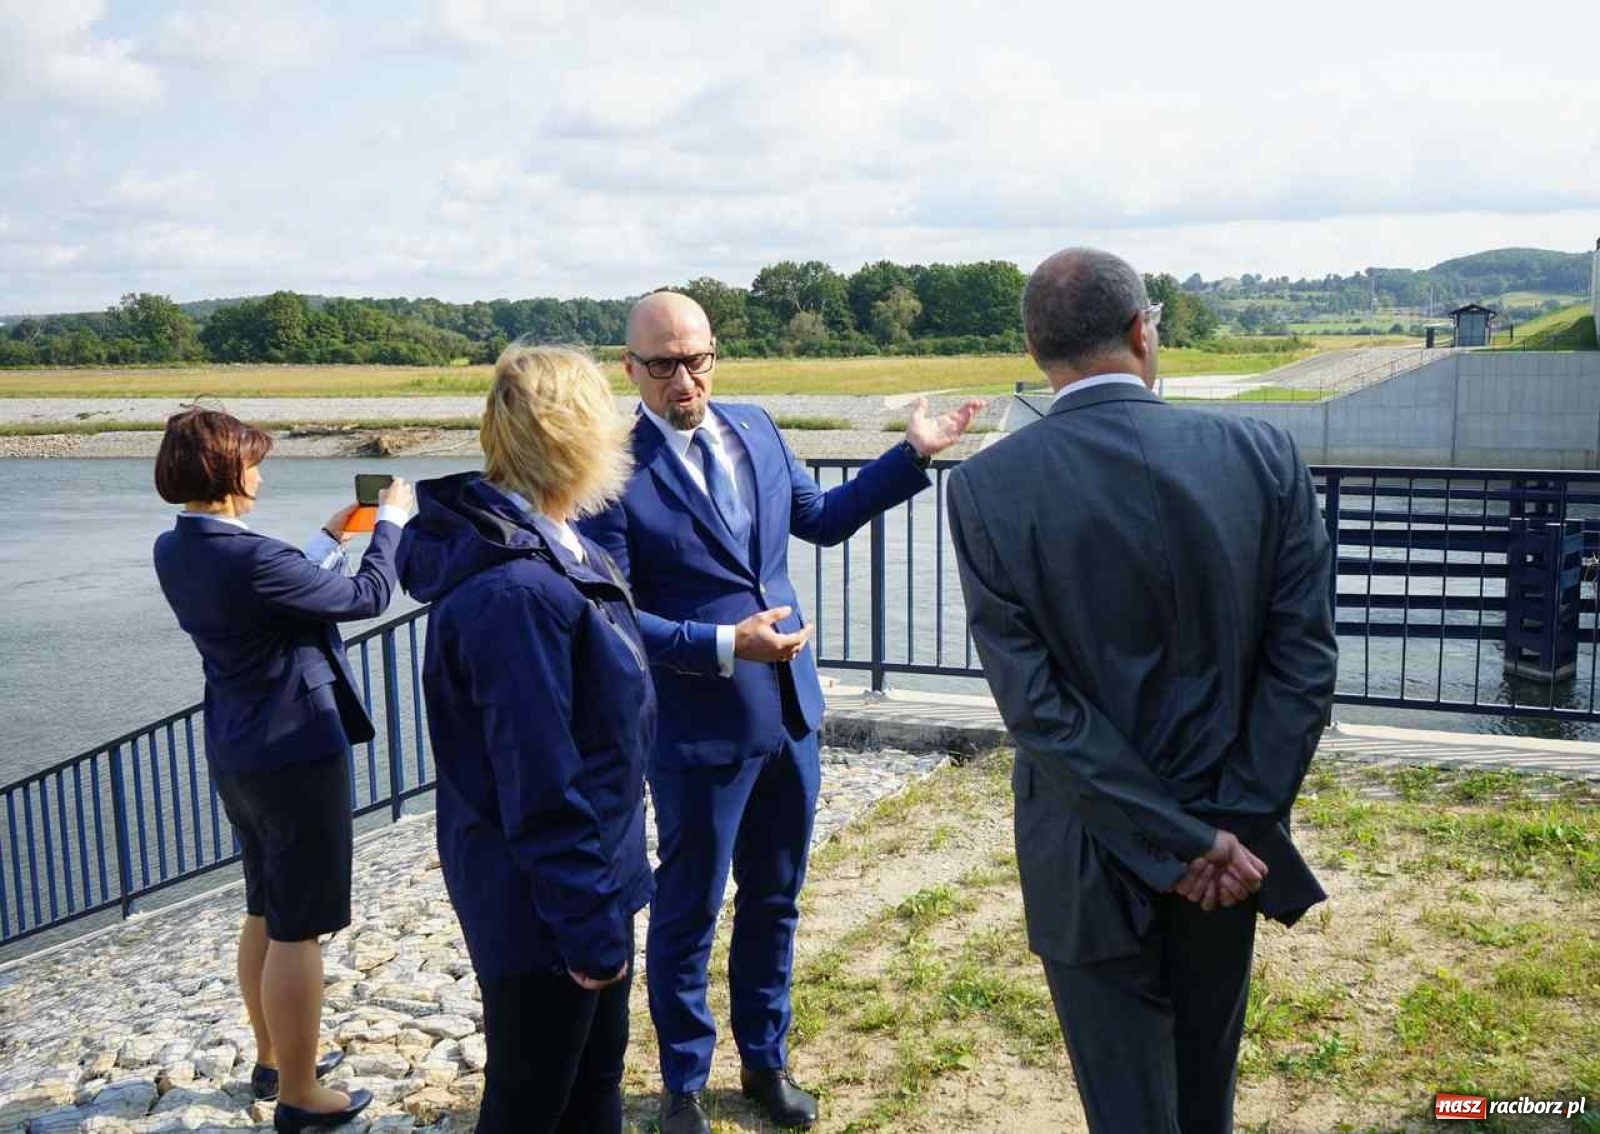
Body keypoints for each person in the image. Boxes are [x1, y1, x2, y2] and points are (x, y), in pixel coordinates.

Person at [946, 248, 1338, 1134]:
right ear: (1140, 332)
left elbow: (1038, 708)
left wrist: (1182, 840)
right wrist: (1227, 829)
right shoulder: (1262, 452)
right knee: (1207, 1098)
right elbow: (1304, 661)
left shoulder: (986, 488)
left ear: (1040, 352)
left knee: (1125, 1111)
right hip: (1235, 848)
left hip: (1088, 854)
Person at [578, 292, 984, 1133]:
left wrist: (911, 457)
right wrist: (726, 643)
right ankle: (683, 1083)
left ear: (714, 355)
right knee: (689, 911)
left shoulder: (757, 426)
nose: (684, 379)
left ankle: (766, 1061)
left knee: (776, 896)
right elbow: (614, 614)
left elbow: (822, 519)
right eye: (663, 365)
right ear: (631, 369)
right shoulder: (610, 466)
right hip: (698, 725)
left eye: (697, 359)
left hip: (790, 714)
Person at [396, 345, 654, 1134]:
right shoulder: (517, 591)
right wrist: (586, 927)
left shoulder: (556, 551)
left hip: (587, 881)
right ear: (579, 436)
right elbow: (540, 779)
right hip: (546, 904)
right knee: (532, 1103)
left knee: (592, 1084)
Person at [151, 404, 412, 1133]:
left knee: (265, 907)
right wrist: (388, 524)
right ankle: (301, 1095)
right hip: (297, 750)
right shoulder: (252, 559)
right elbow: (366, 597)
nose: (262, 470)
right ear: (229, 473)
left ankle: (273, 1059)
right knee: (301, 926)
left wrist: (332, 536)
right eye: (254, 459)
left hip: (239, 749)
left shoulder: (178, 548)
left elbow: (272, 590)